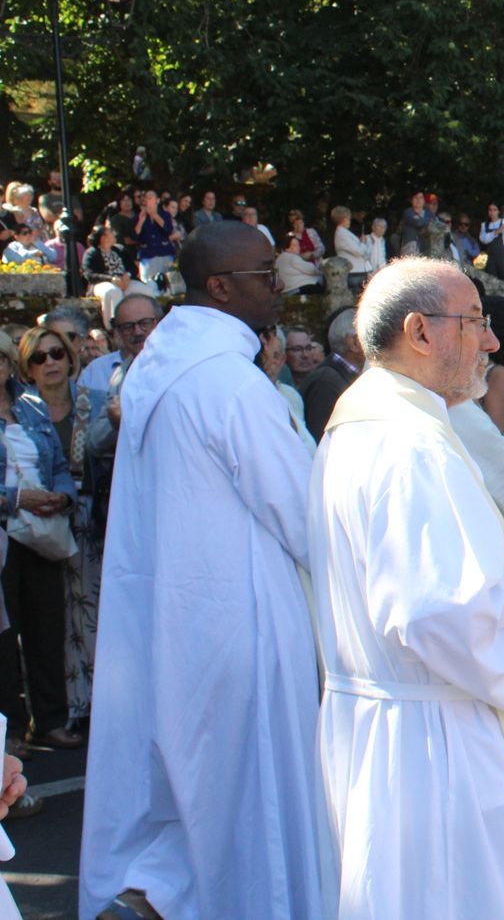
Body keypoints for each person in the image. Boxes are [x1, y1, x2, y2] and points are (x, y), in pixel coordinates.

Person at [308, 258, 504, 919]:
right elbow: (438, 618)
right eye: (475, 323)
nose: (490, 342)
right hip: (439, 746)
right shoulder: (412, 446)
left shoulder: (360, 427)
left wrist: (496, 571)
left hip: (387, 727)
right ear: (419, 332)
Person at [80, 222, 327, 920]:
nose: (278, 284)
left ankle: (156, 892)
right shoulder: (230, 383)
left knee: (197, 785)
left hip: (178, 612)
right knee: (251, 796)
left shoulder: (162, 368)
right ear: (218, 286)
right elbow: (305, 514)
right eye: (262, 273)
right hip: (242, 617)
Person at [0, 327, 80, 761]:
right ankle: (10, 731)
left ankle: (49, 720)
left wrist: (62, 496)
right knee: (3, 637)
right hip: (4, 533)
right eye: (40, 357)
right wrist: (19, 498)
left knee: (47, 628)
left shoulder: (30, 406)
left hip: (44, 529)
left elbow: (59, 465)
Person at [299, 306, 363, 440]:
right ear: (354, 342)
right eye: (370, 335)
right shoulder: (325, 383)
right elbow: (322, 440)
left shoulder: (339, 377)